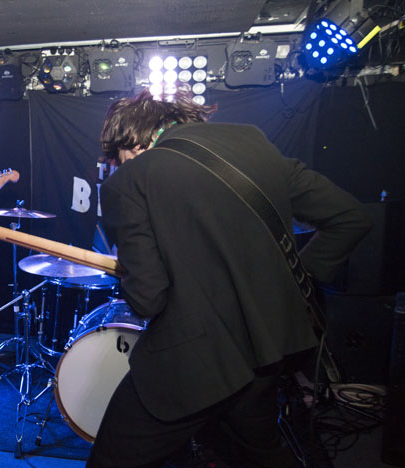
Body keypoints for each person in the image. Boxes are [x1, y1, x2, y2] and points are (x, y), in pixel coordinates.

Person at [88, 89, 373, 468]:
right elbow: (351, 218)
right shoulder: (253, 144)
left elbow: (148, 299)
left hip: (191, 363)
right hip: (268, 349)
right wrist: (298, 280)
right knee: (257, 453)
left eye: (119, 159)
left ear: (134, 142)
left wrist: (125, 268)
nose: (119, 167)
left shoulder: (129, 182)